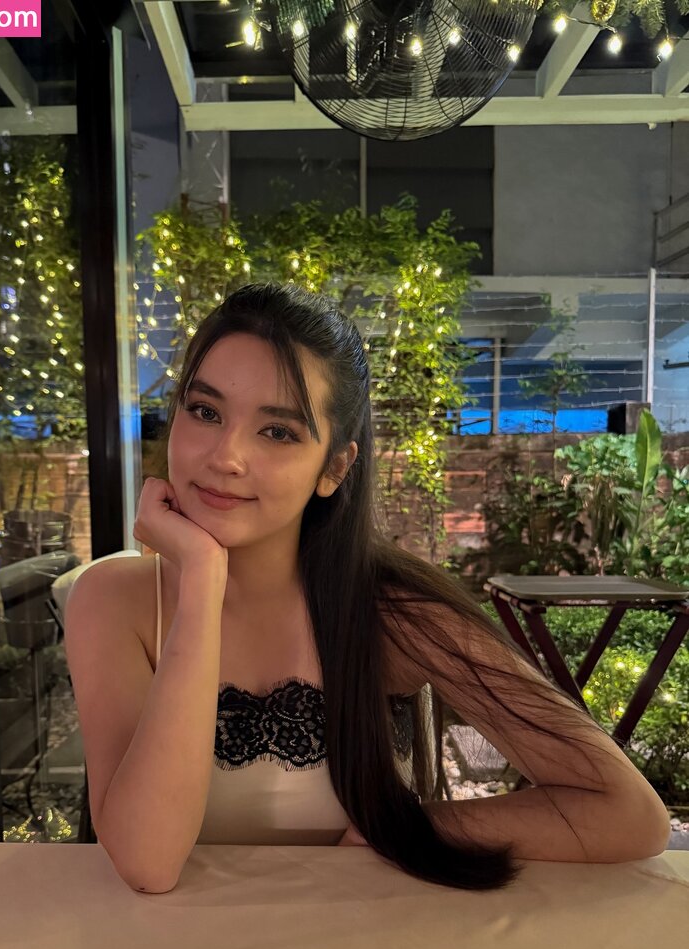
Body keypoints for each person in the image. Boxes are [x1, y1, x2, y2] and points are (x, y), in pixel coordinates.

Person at [64, 282, 671, 894]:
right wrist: (200, 581)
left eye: (278, 432)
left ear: (334, 467)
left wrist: (402, 830)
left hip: (355, 945)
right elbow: (148, 862)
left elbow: (626, 811)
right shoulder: (114, 602)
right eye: (205, 411)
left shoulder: (391, 612)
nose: (226, 456)